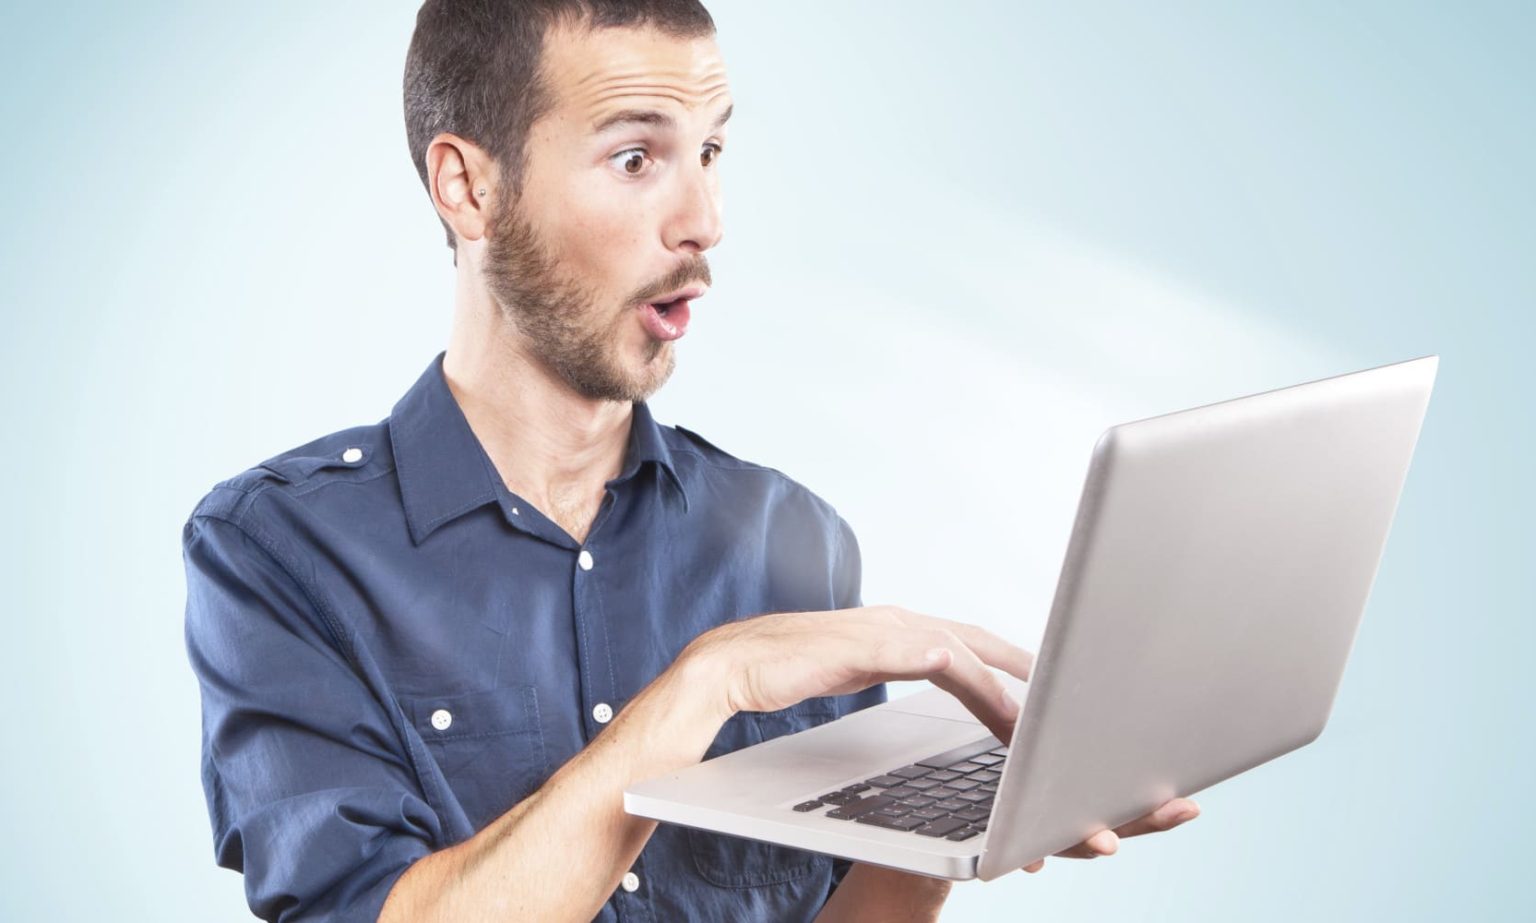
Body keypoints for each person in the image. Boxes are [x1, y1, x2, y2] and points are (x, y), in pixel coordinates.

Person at [181, 1, 1201, 920]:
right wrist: (709, 683)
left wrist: (944, 832)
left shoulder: (790, 538)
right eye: (637, 158)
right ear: (468, 186)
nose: (704, 223)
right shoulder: (279, 549)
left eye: (710, 150)